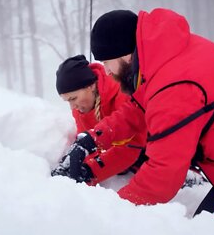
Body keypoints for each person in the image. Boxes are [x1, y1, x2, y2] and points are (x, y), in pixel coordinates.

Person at [61, 8, 214, 215]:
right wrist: (91, 139)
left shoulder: (174, 86)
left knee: (210, 227)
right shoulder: (164, 56)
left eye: (106, 63)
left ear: (126, 55)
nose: (107, 72)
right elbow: (138, 111)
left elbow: (162, 177)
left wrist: (115, 212)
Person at [51, 54, 147, 185]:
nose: (72, 106)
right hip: (125, 159)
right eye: (68, 101)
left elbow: (131, 146)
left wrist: (89, 172)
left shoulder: (122, 91)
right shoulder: (80, 108)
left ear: (90, 86)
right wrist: (73, 165)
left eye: (73, 98)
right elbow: (89, 144)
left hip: (151, 150)